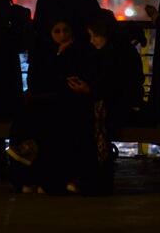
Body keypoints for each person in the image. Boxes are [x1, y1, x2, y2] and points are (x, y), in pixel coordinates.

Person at [10, 20, 97, 194]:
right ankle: (39, 177)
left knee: (48, 128)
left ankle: (39, 177)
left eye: (65, 30)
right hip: (50, 101)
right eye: (57, 31)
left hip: (68, 102)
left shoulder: (80, 52)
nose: (62, 35)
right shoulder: (45, 52)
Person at [87, 9, 144, 136]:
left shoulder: (110, 55)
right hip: (127, 104)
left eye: (94, 36)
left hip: (118, 110)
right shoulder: (123, 49)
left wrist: (88, 89)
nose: (91, 41)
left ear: (104, 33)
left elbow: (109, 87)